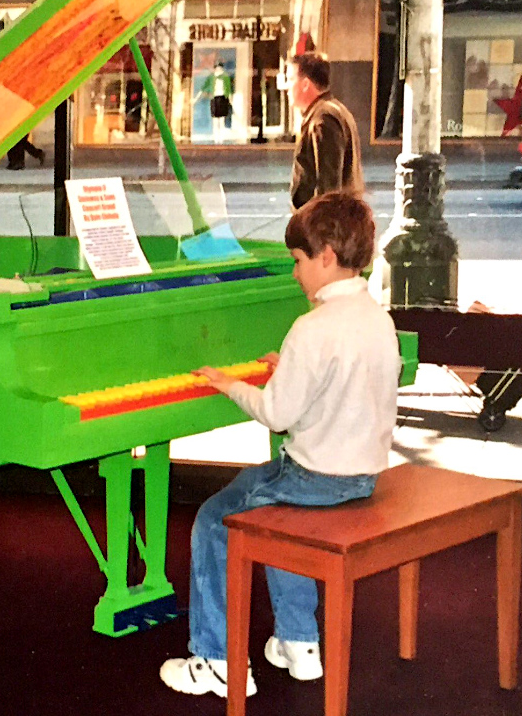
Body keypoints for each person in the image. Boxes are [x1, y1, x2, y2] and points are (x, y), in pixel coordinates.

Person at [159, 192, 402, 699]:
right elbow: (343, 386)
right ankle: (299, 644)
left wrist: (229, 383)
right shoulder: (378, 319)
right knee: (271, 510)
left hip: (315, 480)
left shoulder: (310, 329)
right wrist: (287, 371)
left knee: (213, 519)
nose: (294, 274)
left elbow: (276, 414)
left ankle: (217, 661)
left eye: (298, 261)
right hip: (361, 475)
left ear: (327, 257)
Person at [288, 52, 362, 210]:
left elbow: (328, 186)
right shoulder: (332, 110)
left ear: (306, 84)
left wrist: (320, 226)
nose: (286, 87)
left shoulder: (323, 118)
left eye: (290, 79)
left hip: (325, 224)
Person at [200, 61, 234, 144]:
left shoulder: (225, 77)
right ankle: (216, 138)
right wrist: (197, 98)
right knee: (215, 119)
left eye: (220, 68)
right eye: (217, 68)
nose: (218, 69)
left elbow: (229, 89)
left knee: (222, 119)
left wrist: (230, 99)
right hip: (214, 98)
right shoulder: (212, 77)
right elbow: (204, 88)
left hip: (222, 98)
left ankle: (221, 138)